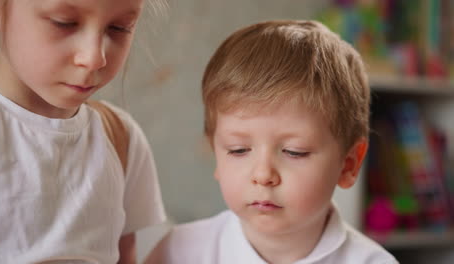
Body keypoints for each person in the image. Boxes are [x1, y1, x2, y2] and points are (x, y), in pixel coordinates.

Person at [146, 20, 398, 264]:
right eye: (239, 150)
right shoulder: (179, 252)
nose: (263, 174)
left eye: (294, 152)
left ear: (348, 165)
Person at [0, 0, 166, 263]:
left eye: (119, 27)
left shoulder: (120, 138)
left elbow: (125, 255)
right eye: (64, 22)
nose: (94, 58)